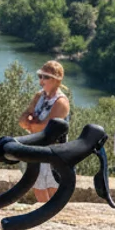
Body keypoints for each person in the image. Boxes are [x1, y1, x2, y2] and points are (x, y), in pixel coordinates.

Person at [18, 60, 70, 202]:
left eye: (46, 77)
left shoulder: (61, 102)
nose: (41, 81)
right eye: (40, 76)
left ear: (56, 80)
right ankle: (43, 214)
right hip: (36, 146)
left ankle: (56, 215)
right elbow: (22, 119)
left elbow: (46, 127)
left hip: (54, 150)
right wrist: (31, 122)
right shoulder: (39, 96)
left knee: (53, 185)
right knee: (38, 184)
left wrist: (32, 122)